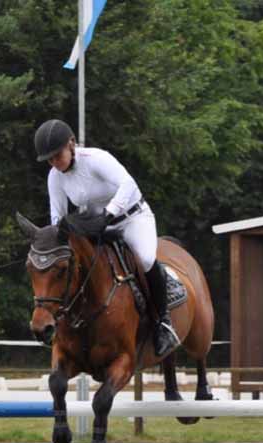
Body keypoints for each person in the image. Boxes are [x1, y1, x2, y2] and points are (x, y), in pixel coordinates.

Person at [34, 118, 179, 357]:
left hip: (132, 217)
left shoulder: (96, 158)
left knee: (144, 259)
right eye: (49, 160)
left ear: (71, 144)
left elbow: (128, 184)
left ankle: (163, 323)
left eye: (57, 156)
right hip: (97, 225)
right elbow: (57, 217)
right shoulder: (55, 177)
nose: (54, 163)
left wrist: (109, 214)